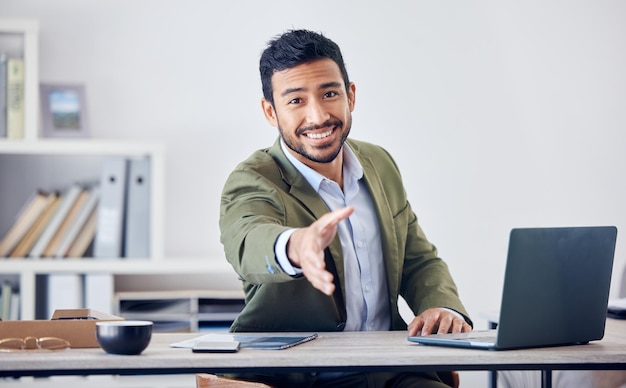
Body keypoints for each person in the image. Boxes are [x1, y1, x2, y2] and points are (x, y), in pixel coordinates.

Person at [219, 29, 473, 388]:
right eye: (295, 101)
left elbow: (417, 259)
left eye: (329, 93)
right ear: (270, 112)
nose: (318, 115)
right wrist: (297, 246)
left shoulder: (380, 163)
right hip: (303, 377)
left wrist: (441, 307)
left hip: (394, 372)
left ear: (350, 95)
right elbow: (247, 238)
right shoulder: (254, 179)